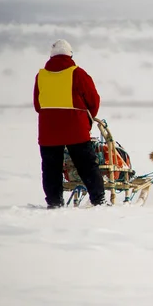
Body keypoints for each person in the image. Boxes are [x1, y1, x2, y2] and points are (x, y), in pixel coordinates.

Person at [33, 39, 107, 208]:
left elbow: (38, 105)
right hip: (76, 129)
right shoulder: (78, 73)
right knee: (87, 165)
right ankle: (98, 200)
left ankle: (54, 202)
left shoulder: (41, 76)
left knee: (51, 168)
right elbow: (93, 100)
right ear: (70, 55)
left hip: (48, 131)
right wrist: (87, 120)